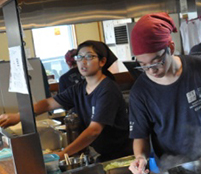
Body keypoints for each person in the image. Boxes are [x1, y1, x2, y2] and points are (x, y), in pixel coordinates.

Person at [128, 13, 201, 174]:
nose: (151, 70)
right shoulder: (140, 92)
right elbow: (140, 135)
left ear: (170, 48)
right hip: (173, 170)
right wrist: (140, 157)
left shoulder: (199, 66)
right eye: (143, 65)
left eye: (156, 62)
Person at [0, 40, 132, 162]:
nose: (83, 62)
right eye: (79, 57)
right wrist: (19, 116)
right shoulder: (79, 88)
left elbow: (94, 130)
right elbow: (48, 103)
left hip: (120, 156)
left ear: (102, 62)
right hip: (102, 153)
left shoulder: (107, 89)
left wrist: (64, 153)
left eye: (89, 57)